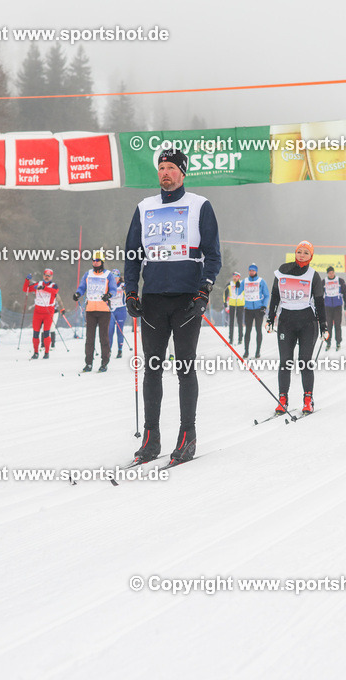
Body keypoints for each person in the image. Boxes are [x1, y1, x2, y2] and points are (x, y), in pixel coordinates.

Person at [124, 148, 221, 465]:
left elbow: (213, 255)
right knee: (152, 369)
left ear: (182, 172)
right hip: (153, 299)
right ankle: (150, 439)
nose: (165, 172)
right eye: (161, 167)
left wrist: (204, 291)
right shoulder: (145, 207)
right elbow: (132, 254)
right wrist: (131, 291)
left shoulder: (199, 205)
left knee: (185, 368)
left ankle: (187, 436)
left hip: (186, 300)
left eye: (171, 167)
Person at [267, 241, 328, 414]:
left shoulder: (313, 276)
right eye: (299, 251)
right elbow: (275, 295)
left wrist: (324, 326)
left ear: (311, 256)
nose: (302, 255)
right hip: (286, 322)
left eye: (306, 253)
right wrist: (270, 318)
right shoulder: (282, 270)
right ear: (295, 253)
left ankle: (308, 399)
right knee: (285, 361)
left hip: (307, 322)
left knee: (304, 361)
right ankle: (282, 399)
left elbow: (319, 302)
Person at [74, 251, 117, 372]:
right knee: (89, 338)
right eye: (93, 260)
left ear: (102, 262)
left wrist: (109, 295)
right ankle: (88, 363)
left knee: (104, 338)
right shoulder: (88, 274)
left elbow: (113, 289)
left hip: (104, 311)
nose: (95, 262)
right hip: (91, 310)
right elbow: (82, 287)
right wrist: (77, 294)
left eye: (98, 260)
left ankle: (104, 363)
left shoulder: (108, 275)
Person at [22, 268, 59, 359]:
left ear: (51, 277)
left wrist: (43, 288)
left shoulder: (54, 285)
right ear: (43, 275)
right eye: (45, 275)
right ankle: (35, 353)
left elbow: (54, 291)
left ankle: (46, 352)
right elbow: (25, 289)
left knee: (46, 332)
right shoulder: (38, 284)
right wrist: (27, 280)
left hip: (48, 313)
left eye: (49, 276)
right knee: (35, 333)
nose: (47, 277)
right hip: (38, 312)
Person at [242, 263, 270, 358]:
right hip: (248, 309)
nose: (251, 272)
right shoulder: (245, 281)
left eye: (253, 270)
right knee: (248, 331)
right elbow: (237, 291)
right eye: (250, 270)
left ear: (256, 271)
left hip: (258, 309)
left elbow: (266, 295)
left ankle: (258, 352)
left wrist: (264, 306)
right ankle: (246, 351)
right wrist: (236, 283)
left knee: (258, 330)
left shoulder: (261, 281)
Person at [323, 266, 346, 351]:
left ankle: (338, 342)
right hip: (328, 306)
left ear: (334, 272)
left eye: (332, 272)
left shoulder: (340, 280)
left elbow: (345, 292)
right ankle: (328, 342)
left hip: (337, 306)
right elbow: (320, 294)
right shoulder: (324, 281)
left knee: (337, 325)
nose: (331, 274)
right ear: (327, 274)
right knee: (329, 325)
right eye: (329, 273)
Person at [108, 269, 127, 358]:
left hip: (121, 310)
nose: (115, 279)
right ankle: (108, 350)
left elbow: (132, 292)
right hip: (111, 310)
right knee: (110, 331)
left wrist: (126, 289)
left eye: (116, 277)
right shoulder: (108, 285)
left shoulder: (123, 285)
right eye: (113, 277)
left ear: (119, 277)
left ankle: (120, 349)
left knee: (119, 331)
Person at [224, 272, 245, 343]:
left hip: (240, 304)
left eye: (236, 276)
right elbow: (225, 293)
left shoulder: (242, 283)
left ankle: (240, 338)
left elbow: (246, 293)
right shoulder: (230, 284)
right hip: (232, 304)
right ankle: (231, 338)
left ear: (239, 277)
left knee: (240, 321)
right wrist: (225, 302)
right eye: (234, 276)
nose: (235, 278)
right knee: (231, 322)